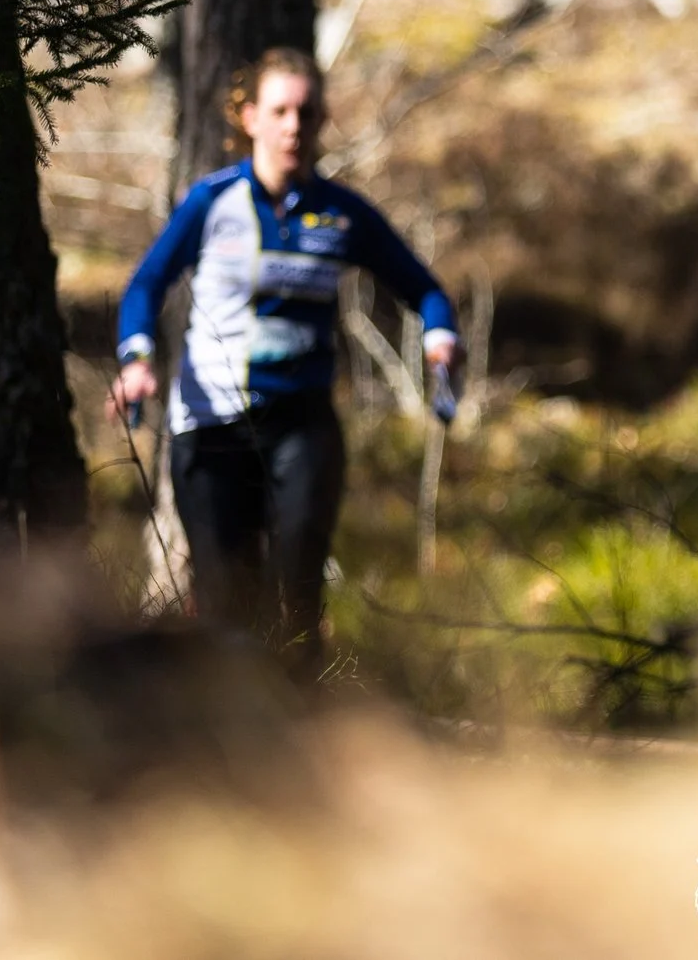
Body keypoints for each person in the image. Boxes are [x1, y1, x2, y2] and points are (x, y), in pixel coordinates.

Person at [110, 47, 461, 676]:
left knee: (297, 588)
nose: (294, 125)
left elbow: (423, 287)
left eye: (306, 111)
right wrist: (136, 358)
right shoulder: (210, 203)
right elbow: (144, 285)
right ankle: (227, 744)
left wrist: (439, 335)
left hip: (301, 425)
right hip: (211, 427)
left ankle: (306, 734)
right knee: (225, 603)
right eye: (279, 111)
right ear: (248, 118)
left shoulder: (341, 213)